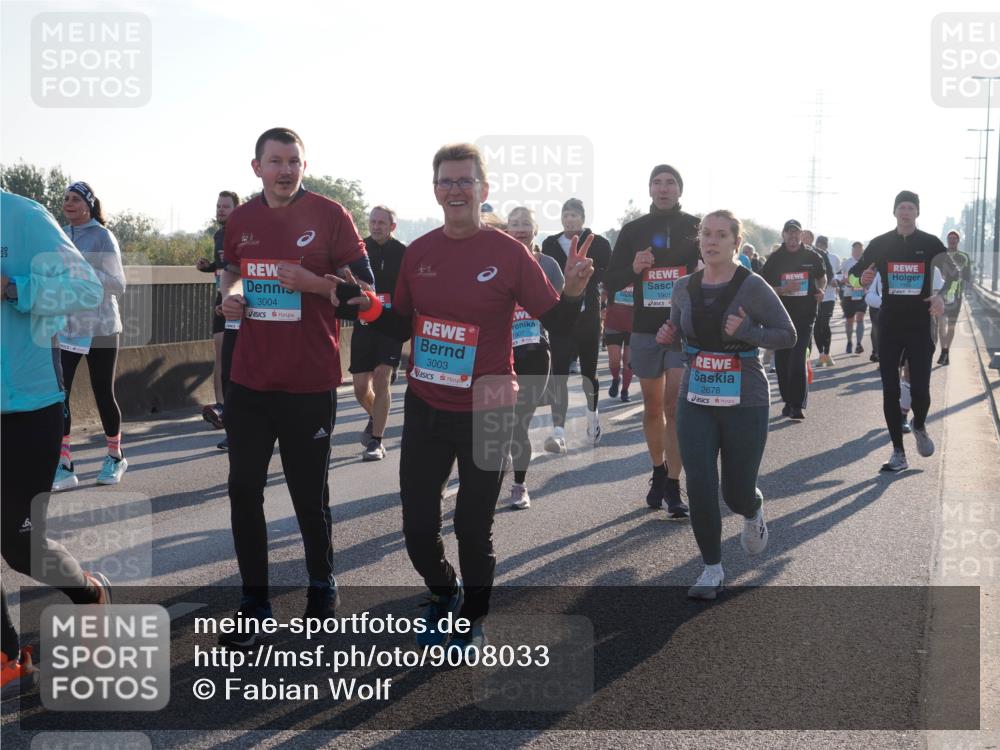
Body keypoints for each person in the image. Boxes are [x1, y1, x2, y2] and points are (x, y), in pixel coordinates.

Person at [345, 142, 594, 656]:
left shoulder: (508, 253)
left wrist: (571, 291)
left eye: (465, 181)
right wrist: (366, 307)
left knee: (473, 526)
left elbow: (559, 323)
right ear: (435, 189)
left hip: (492, 403)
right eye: (447, 181)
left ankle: (473, 617)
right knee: (417, 525)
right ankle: (443, 589)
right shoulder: (419, 252)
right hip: (428, 403)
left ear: (483, 190)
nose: (456, 190)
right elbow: (399, 322)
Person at [217, 127, 375, 644]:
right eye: (276, 161)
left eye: (294, 161)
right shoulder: (239, 220)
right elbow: (231, 274)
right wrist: (233, 297)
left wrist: (315, 284)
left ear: (303, 166)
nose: (286, 170)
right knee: (243, 489)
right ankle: (254, 601)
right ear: (256, 166)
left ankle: (320, 585)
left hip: (310, 381)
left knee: (309, 495)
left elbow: (366, 295)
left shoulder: (331, 216)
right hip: (251, 380)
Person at [1, 191, 113, 697]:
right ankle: (8, 659)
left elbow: (87, 290)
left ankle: (88, 594)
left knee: (19, 545)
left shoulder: (24, 217)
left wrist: (14, 288)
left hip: (27, 408)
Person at [656, 210, 795, 599]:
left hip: (745, 397)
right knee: (699, 484)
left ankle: (752, 510)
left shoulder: (752, 286)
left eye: (721, 235)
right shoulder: (683, 286)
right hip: (696, 394)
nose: (712, 241)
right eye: (706, 234)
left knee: (735, 492)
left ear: (737, 242)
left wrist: (748, 331)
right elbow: (677, 333)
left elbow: (788, 334)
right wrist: (668, 336)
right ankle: (712, 569)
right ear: (699, 241)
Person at [604, 165, 701, 518]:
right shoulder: (633, 231)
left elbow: (714, 271)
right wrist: (633, 266)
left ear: (680, 189)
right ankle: (658, 471)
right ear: (649, 189)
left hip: (681, 329)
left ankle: (675, 485)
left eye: (670, 182)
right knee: (652, 407)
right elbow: (610, 280)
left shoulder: (696, 226)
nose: (664, 188)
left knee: (675, 407)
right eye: (657, 183)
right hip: (644, 328)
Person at [852, 191, 958, 472]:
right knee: (890, 389)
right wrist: (860, 278)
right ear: (895, 212)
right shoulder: (881, 243)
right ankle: (898, 451)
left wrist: (939, 297)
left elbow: (954, 274)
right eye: (902, 207)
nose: (906, 212)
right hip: (889, 324)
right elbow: (853, 275)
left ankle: (919, 424)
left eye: (911, 207)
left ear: (917, 213)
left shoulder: (930, 243)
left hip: (920, 324)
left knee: (921, 389)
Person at [51, 182, 128, 491]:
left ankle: (115, 456)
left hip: (102, 328)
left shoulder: (102, 236)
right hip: (68, 327)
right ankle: (65, 463)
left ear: (88, 204)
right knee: (60, 395)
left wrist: (84, 271)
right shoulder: (61, 235)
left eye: (74, 199)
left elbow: (118, 285)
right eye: (65, 199)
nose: (68, 204)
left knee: (102, 393)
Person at [506, 206, 565, 509]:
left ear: (536, 229)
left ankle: (519, 485)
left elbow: (558, 310)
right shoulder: (496, 263)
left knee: (519, 422)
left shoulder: (549, 265)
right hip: (499, 353)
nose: (519, 228)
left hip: (534, 352)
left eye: (525, 223)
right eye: (514, 223)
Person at [541, 199, 611, 451]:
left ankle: (592, 418)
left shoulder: (598, 242)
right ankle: (558, 430)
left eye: (574, 215)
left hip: (588, 319)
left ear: (582, 218)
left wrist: (588, 275)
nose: (569, 220)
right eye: (565, 215)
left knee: (588, 374)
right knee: (558, 374)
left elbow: (608, 272)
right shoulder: (550, 243)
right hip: (561, 317)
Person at [350, 205, 407, 461]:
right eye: (373, 221)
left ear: (392, 226)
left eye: (382, 222)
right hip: (364, 323)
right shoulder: (359, 250)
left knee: (383, 376)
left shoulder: (403, 252)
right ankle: (376, 416)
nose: (376, 226)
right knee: (361, 388)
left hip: (391, 324)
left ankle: (376, 441)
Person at [760, 219, 826, 420]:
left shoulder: (812, 256)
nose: (793, 236)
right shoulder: (774, 259)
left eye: (796, 233)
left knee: (797, 359)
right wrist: (782, 290)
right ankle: (788, 401)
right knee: (782, 362)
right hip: (780, 317)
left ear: (801, 235)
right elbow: (762, 287)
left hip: (805, 316)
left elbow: (822, 277)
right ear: (783, 235)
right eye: (789, 233)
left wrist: (821, 290)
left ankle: (797, 405)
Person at [196, 190, 240, 434]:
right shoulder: (218, 235)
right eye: (218, 206)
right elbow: (224, 268)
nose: (220, 210)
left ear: (236, 209)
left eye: (226, 206)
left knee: (235, 355)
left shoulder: (242, 235)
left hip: (239, 301)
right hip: (220, 299)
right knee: (220, 351)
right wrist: (209, 267)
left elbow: (241, 269)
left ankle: (236, 408)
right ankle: (222, 408)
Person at [936, 229, 972, 366]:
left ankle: (946, 351)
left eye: (954, 238)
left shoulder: (964, 256)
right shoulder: (941, 255)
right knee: (941, 324)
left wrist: (960, 276)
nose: (952, 240)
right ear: (947, 240)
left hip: (956, 295)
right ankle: (943, 350)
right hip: (941, 294)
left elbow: (968, 276)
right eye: (950, 238)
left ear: (958, 240)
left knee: (951, 325)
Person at [603, 280, 634, 402]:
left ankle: (625, 390)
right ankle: (616, 379)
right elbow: (603, 293)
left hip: (634, 325)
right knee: (614, 360)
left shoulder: (641, 274)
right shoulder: (614, 274)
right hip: (613, 323)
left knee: (628, 361)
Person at [812, 235, 840, 367]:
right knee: (817, 325)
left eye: (823, 244)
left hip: (829, 296)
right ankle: (821, 354)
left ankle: (827, 353)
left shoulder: (834, 258)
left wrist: (835, 280)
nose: (821, 246)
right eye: (819, 244)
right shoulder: (812, 255)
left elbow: (838, 274)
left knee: (825, 323)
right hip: (816, 296)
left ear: (827, 245)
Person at [838, 241, 867, 355]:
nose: (857, 251)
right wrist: (843, 279)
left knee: (860, 318)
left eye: (859, 249)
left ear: (862, 250)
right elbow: (839, 275)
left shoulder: (866, 262)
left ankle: (859, 344)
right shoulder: (846, 263)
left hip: (861, 293)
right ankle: (849, 341)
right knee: (850, 321)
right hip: (849, 294)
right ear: (852, 250)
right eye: (855, 249)